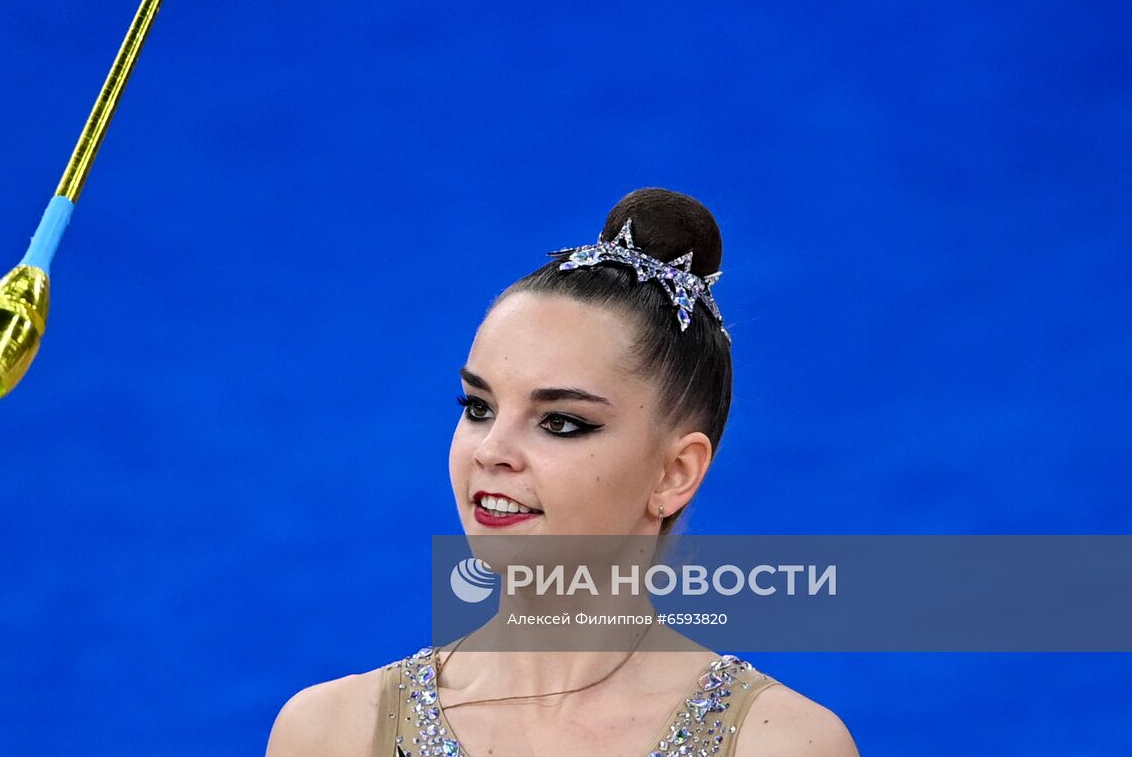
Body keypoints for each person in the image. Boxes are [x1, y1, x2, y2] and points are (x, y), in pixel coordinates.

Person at [266, 189, 859, 757]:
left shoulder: (779, 743)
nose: (491, 450)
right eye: (479, 408)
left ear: (674, 474)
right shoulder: (329, 734)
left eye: (561, 422)